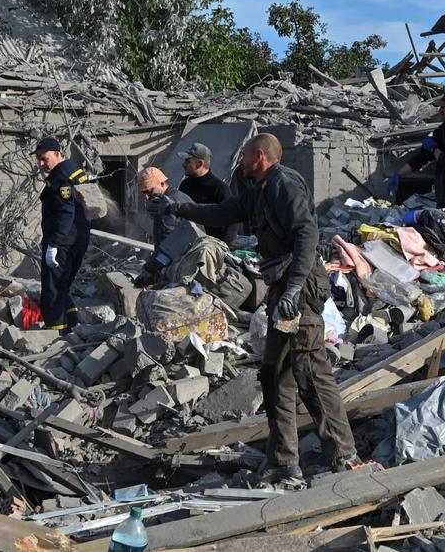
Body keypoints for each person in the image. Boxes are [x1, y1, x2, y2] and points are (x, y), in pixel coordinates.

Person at [162, 133, 358, 484]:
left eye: (246, 155)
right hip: (284, 288)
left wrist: (295, 288)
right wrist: (177, 207)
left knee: (310, 371)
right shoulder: (258, 189)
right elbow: (224, 211)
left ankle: (344, 456)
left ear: (260, 156)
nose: (240, 162)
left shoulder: (284, 184)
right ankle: (284, 461)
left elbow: (307, 234)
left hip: (300, 290)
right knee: (275, 374)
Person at [34, 137, 92, 331]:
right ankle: (72, 327)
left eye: (44, 158)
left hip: (63, 242)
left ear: (58, 154)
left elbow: (65, 211)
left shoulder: (60, 176)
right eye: (39, 159)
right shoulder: (75, 171)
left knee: (53, 289)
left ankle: (55, 334)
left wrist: (54, 243)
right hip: (78, 239)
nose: (41, 164)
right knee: (64, 286)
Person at [391, 91, 445, 210]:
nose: (440, 111)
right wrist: (399, 174)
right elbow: (422, 156)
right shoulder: (443, 130)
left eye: (443, 107)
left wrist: (433, 148)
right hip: (444, 196)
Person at [134, 167, 193, 287]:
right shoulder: (180, 196)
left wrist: (149, 270)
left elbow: (167, 248)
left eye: (149, 191)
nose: (146, 197)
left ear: (161, 183)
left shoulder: (165, 206)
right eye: (143, 192)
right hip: (189, 260)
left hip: (180, 265)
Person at [176, 143, 239, 244]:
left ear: (200, 164)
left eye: (187, 161)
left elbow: (233, 221)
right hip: (188, 244)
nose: (183, 165)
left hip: (210, 248)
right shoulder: (185, 185)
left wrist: (221, 247)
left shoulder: (219, 188)